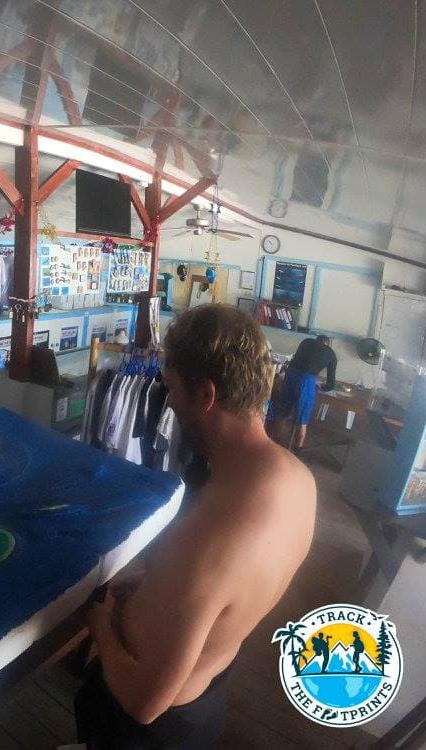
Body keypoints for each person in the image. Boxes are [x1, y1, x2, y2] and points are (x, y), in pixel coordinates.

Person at [75, 304, 316, 748]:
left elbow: (142, 704)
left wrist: (102, 624)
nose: (166, 400)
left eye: (171, 388)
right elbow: (226, 595)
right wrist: (156, 578)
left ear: (204, 395)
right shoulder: (297, 480)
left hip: (147, 729)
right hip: (207, 698)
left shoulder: (211, 535)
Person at [273, 334, 337, 450]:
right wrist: (321, 387)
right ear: (328, 344)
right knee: (302, 418)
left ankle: (274, 443)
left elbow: (296, 359)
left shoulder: (306, 342)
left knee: (282, 412)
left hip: (290, 374)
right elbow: (331, 384)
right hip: (306, 380)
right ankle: (298, 450)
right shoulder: (331, 353)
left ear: (316, 340)